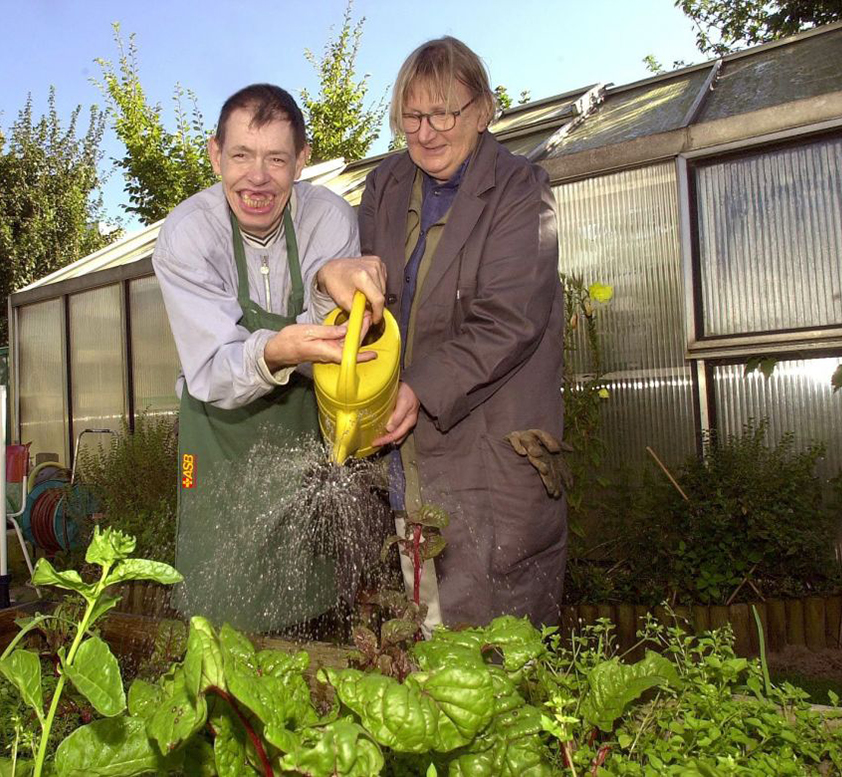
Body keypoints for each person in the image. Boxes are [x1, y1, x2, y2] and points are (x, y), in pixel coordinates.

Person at [153, 84, 384, 633]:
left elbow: (336, 340)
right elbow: (213, 368)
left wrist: (330, 283)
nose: (257, 178)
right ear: (215, 155)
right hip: (218, 435)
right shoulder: (188, 236)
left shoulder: (329, 219)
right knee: (218, 598)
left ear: (301, 161)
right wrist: (279, 349)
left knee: (311, 589)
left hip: (300, 434)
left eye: (276, 159)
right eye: (241, 156)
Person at [358, 37, 566, 629]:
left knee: (498, 640)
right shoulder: (387, 186)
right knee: (424, 625)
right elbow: (371, 299)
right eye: (412, 116)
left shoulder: (521, 188)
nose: (426, 132)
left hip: (490, 451)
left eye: (443, 113)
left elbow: (509, 319)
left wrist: (418, 387)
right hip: (410, 456)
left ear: (482, 109)